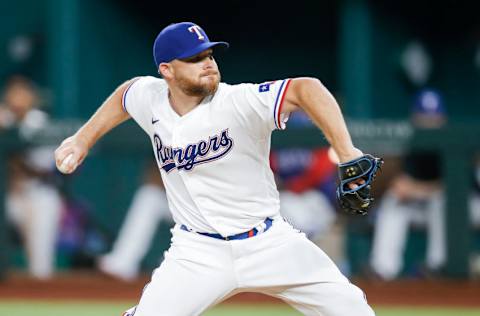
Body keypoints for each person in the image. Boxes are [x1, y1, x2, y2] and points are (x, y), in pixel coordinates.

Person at [55, 22, 375, 316]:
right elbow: (126, 94)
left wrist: (348, 154)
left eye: (209, 54)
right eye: (194, 58)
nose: (208, 63)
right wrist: (83, 138)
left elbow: (308, 88)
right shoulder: (150, 97)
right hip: (197, 252)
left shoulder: (239, 101)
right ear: (167, 70)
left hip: (270, 242)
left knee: (353, 311)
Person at [369, 89, 447, 280]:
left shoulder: (451, 143)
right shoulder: (410, 143)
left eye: (432, 119)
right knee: (393, 202)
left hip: (460, 210)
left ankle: (436, 266)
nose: (428, 124)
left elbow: (455, 188)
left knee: (441, 201)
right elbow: (399, 184)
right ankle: (383, 269)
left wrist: (420, 189)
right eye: (423, 118)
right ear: (414, 119)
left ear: (443, 119)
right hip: (419, 207)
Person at [0, 75, 63, 279]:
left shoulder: (39, 122)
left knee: (40, 268)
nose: (17, 98)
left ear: (32, 97)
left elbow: (40, 169)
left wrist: (9, 149)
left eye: (22, 93)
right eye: (13, 92)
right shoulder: (5, 118)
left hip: (40, 195)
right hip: (10, 197)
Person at [97, 162, 173, 281]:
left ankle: (178, 265)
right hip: (183, 206)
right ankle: (123, 262)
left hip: (209, 213)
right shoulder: (173, 144)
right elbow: (154, 174)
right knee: (150, 195)